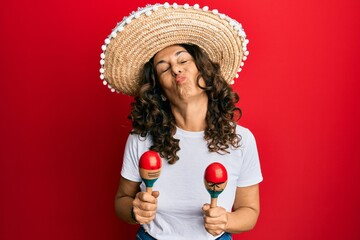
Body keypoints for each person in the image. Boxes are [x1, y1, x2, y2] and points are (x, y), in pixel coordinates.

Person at [99, 3, 263, 240]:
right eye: (163, 68)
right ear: (161, 92)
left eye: (183, 60)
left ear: (205, 75)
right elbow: (121, 201)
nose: (175, 69)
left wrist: (226, 220)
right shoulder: (141, 138)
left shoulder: (241, 140)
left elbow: (250, 211)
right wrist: (135, 210)